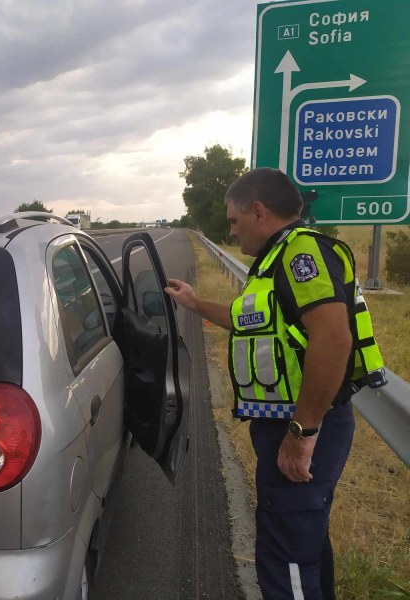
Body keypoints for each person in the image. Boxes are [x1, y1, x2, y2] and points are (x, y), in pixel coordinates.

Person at [165, 167, 385, 599]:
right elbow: (251, 323)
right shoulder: (276, 258)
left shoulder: (301, 255)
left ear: (259, 211)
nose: (231, 231)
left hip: (305, 425)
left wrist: (302, 432)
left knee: (286, 557)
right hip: (292, 423)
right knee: (302, 542)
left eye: (233, 220)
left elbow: (333, 339)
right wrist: (194, 303)